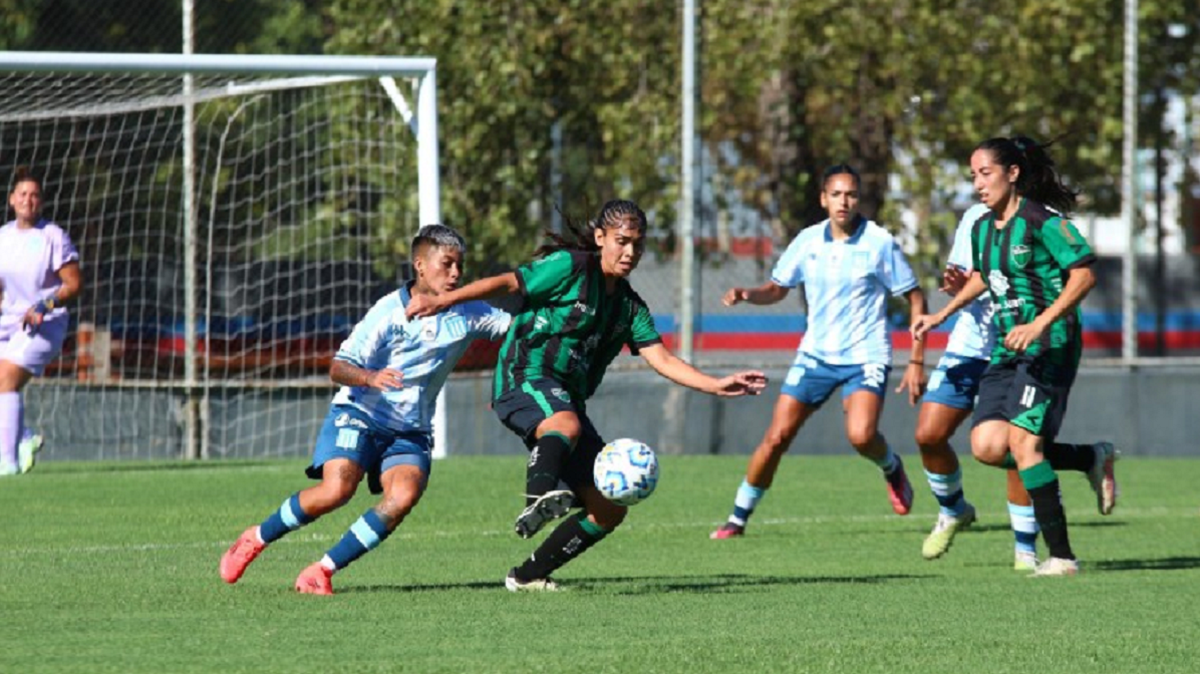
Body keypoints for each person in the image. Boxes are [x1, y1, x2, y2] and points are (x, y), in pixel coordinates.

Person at [406, 199, 768, 591]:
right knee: (566, 423)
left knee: (608, 509)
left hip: (565, 402)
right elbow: (510, 282)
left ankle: (527, 576)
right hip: (524, 376)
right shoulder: (571, 267)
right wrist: (442, 300)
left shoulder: (629, 308)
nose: (630, 252)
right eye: (622, 241)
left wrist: (715, 384)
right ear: (600, 238)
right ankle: (539, 495)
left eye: (638, 245)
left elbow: (662, 359)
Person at [218, 224, 512, 595]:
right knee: (336, 491)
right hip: (360, 414)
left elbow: (517, 329)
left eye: (460, 267)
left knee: (402, 497)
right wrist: (371, 377)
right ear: (420, 265)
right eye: (447, 264)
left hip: (409, 430)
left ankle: (320, 571)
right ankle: (256, 538)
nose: (455, 274)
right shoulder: (388, 312)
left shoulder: (470, 312)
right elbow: (337, 367)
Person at [913, 136, 1106, 577]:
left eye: (986, 173)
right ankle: (1088, 458)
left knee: (1023, 444)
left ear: (1012, 173)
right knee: (987, 446)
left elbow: (1084, 276)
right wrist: (941, 313)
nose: (978, 184)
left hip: (1050, 342)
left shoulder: (1042, 220)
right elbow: (985, 276)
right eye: (973, 176)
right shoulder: (983, 227)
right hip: (1007, 346)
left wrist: (1039, 323)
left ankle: (1061, 557)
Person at [709, 164, 928, 540]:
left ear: (858, 199)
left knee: (860, 436)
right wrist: (748, 293)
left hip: (865, 356)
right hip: (815, 357)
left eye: (852, 194)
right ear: (824, 199)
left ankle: (891, 466)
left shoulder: (879, 242)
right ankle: (737, 518)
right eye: (837, 194)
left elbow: (915, 297)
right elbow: (777, 289)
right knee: (777, 437)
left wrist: (916, 360)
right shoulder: (808, 241)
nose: (845, 201)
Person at [0, 167, 81, 476]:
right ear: (12, 199)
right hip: (9, 323)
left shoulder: (52, 237)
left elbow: (73, 284)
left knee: (5, 377)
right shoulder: (3, 238)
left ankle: (7, 464)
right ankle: (23, 437)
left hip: (45, 324)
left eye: (34, 195)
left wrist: (46, 304)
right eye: (23, 194)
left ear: (41, 202)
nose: (28, 200)